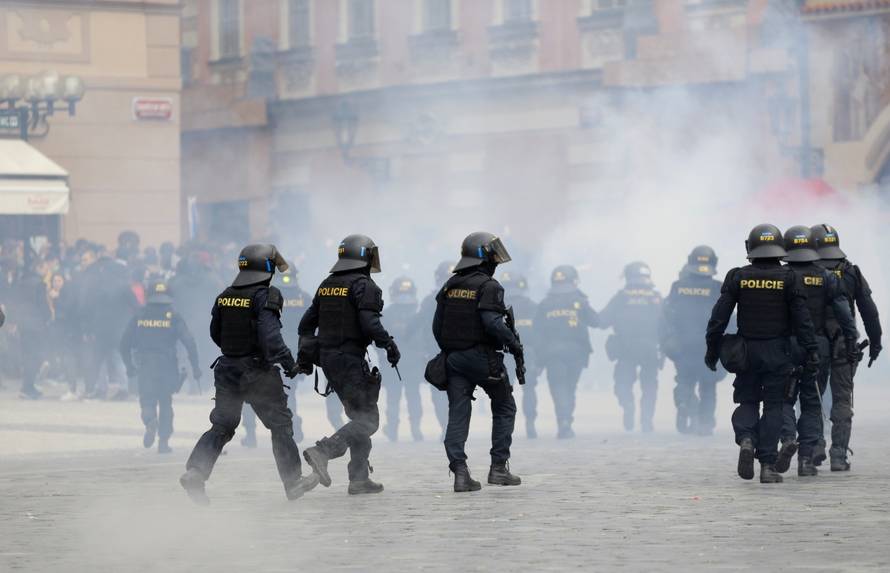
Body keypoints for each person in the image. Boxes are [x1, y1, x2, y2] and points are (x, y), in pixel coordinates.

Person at [179, 244, 318, 504]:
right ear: (266, 267)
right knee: (280, 425)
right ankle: (293, 482)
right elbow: (271, 337)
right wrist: (289, 364)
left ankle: (196, 471)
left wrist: (235, 351)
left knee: (222, 426)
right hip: (257, 372)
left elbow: (215, 333)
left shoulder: (225, 294)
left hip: (227, 369)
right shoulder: (266, 295)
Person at [706, 224, 819, 484]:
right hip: (778, 353)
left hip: (746, 353)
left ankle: (746, 439)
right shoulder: (790, 278)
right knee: (774, 406)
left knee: (747, 402)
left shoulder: (738, 277)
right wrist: (811, 349)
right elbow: (802, 320)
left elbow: (718, 318)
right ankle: (768, 466)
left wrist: (712, 349)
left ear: (751, 248)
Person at [298, 235, 400, 495]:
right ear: (364, 256)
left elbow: (305, 325)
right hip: (348, 359)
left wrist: (307, 357)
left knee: (358, 418)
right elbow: (369, 323)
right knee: (368, 421)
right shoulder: (364, 285)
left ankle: (358, 479)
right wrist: (388, 344)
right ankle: (323, 451)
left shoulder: (327, 284)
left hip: (330, 360)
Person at [433, 232, 523, 492]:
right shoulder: (489, 286)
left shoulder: (450, 284)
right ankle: (498, 469)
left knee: (458, 415)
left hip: (454, 360)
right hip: (483, 359)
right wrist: (514, 344)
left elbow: (437, 326)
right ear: (484, 258)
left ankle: (460, 473)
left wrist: (452, 350)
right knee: (505, 406)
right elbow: (492, 323)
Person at [777, 226, 858, 476]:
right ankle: (816, 458)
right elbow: (853, 310)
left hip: (787, 345)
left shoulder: (781, 275)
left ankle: (792, 438)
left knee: (783, 398)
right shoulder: (833, 274)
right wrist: (853, 338)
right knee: (816, 400)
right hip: (823, 346)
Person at [811, 224, 882, 471]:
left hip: (813, 342)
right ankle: (839, 456)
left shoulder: (804, 271)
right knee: (842, 399)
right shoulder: (851, 271)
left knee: (812, 397)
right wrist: (876, 341)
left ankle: (814, 446)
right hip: (845, 342)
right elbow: (869, 311)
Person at [120, 280, 201, 454]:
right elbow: (189, 342)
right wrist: (196, 367)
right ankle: (163, 443)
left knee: (147, 400)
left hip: (145, 365)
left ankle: (150, 421)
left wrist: (129, 367)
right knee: (165, 402)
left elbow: (124, 343)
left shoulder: (140, 315)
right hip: (167, 366)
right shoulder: (174, 315)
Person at [241, 263, 311, 446]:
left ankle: (250, 436)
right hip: (293, 355)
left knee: (251, 394)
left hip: (264, 352)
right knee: (289, 394)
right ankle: (293, 429)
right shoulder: (304, 298)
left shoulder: (262, 298)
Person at [661, 246, 726, 436]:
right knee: (708, 385)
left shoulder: (677, 286)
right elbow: (728, 316)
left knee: (685, 380)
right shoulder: (717, 287)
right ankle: (705, 423)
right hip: (709, 345)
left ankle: (684, 403)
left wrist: (667, 339)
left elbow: (666, 314)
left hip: (683, 345)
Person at [534, 265, 599, 438]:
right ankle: (567, 421)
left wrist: (539, 360)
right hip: (576, 353)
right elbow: (595, 321)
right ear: (574, 280)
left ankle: (563, 420)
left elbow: (537, 333)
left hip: (552, 353)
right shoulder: (580, 300)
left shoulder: (544, 304)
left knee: (558, 388)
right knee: (570, 388)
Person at [599, 262, 663, 432]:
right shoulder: (656, 298)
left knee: (622, 384)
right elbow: (668, 323)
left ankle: (628, 405)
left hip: (625, 350)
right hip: (650, 349)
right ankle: (647, 420)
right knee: (649, 385)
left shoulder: (620, 298)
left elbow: (602, 321)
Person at [409, 260, 455, 439]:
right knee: (448, 396)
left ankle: (448, 428)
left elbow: (417, 326)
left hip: (445, 354)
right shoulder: (430, 301)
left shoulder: (431, 300)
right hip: (443, 354)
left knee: (449, 395)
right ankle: (448, 428)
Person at [377, 276, 423, 442]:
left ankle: (393, 431)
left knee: (394, 399)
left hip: (393, 364)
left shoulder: (386, 314)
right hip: (411, 364)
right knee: (413, 397)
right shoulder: (418, 314)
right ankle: (415, 430)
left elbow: (378, 339)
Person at [501, 272, 540, 439]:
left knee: (503, 392)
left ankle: (504, 427)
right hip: (527, 353)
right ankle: (530, 422)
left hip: (504, 354)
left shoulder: (496, 307)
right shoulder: (533, 306)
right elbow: (541, 334)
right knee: (529, 389)